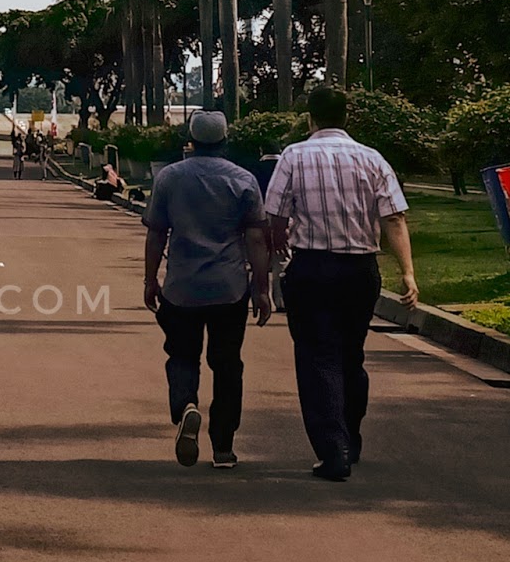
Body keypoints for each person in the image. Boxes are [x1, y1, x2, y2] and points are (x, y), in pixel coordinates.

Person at [264, 84, 418, 482]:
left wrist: (280, 250)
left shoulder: (293, 156)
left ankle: (332, 450)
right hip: (360, 270)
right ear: (346, 117)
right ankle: (351, 437)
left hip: (312, 269)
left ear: (310, 118)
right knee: (351, 355)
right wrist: (407, 271)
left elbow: (275, 216)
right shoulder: (372, 159)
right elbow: (394, 218)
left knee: (317, 357)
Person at [143, 109, 272, 470]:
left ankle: (186, 404)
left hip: (181, 286)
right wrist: (262, 288)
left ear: (191, 140)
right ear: (225, 141)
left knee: (183, 355)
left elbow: (156, 233)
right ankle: (224, 447)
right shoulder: (243, 181)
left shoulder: (169, 178)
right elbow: (257, 239)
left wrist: (150, 279)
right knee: (227, 364)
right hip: (230, 287)